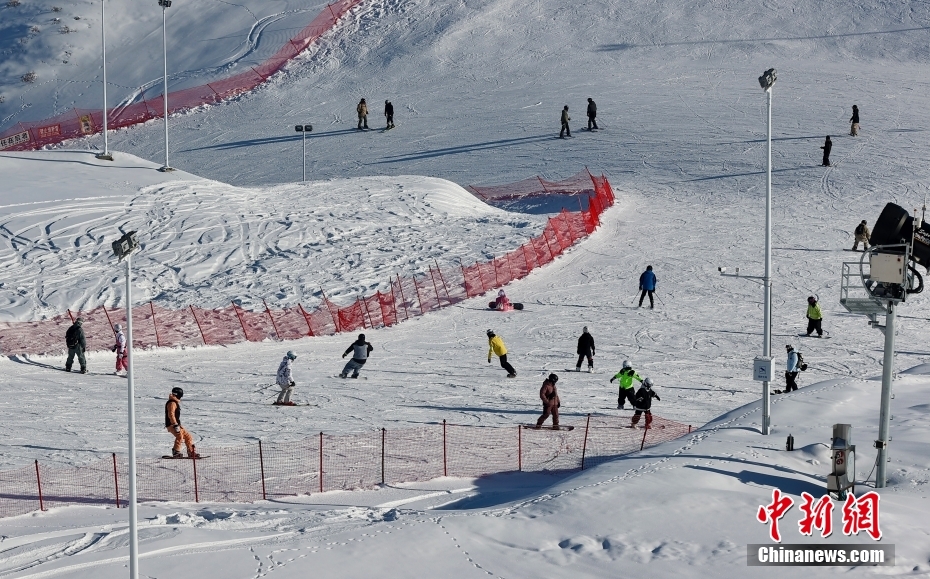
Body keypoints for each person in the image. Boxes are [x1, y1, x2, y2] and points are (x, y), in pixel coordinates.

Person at [165, 387, 199, 458]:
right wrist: (175, 424)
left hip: (177, 424)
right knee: (179, 436)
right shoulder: (172, 403)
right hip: (172, 424)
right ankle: (176, 452)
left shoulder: (174, 402)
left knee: (188, 436)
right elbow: (171, 414)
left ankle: (191, 452)